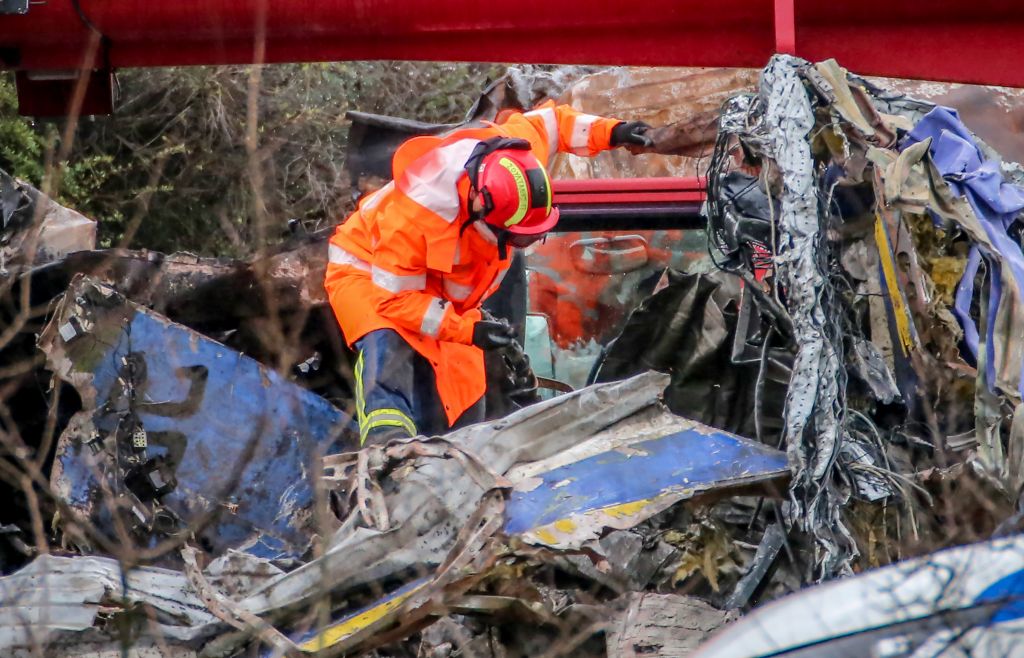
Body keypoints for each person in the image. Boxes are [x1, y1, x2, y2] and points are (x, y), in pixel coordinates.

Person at [325, 101, 657, 445]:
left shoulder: (515, 157)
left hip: (433, 288)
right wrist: (467, 328)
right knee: (390, 344)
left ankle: (454, 452)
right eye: (517, 236)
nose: (522, 244)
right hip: (368, 272)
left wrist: (614, 131)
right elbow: (395, 300)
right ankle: (388, 449)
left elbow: (554, 122)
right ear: (481, 207)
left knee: (463, 389)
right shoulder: (418, 217)